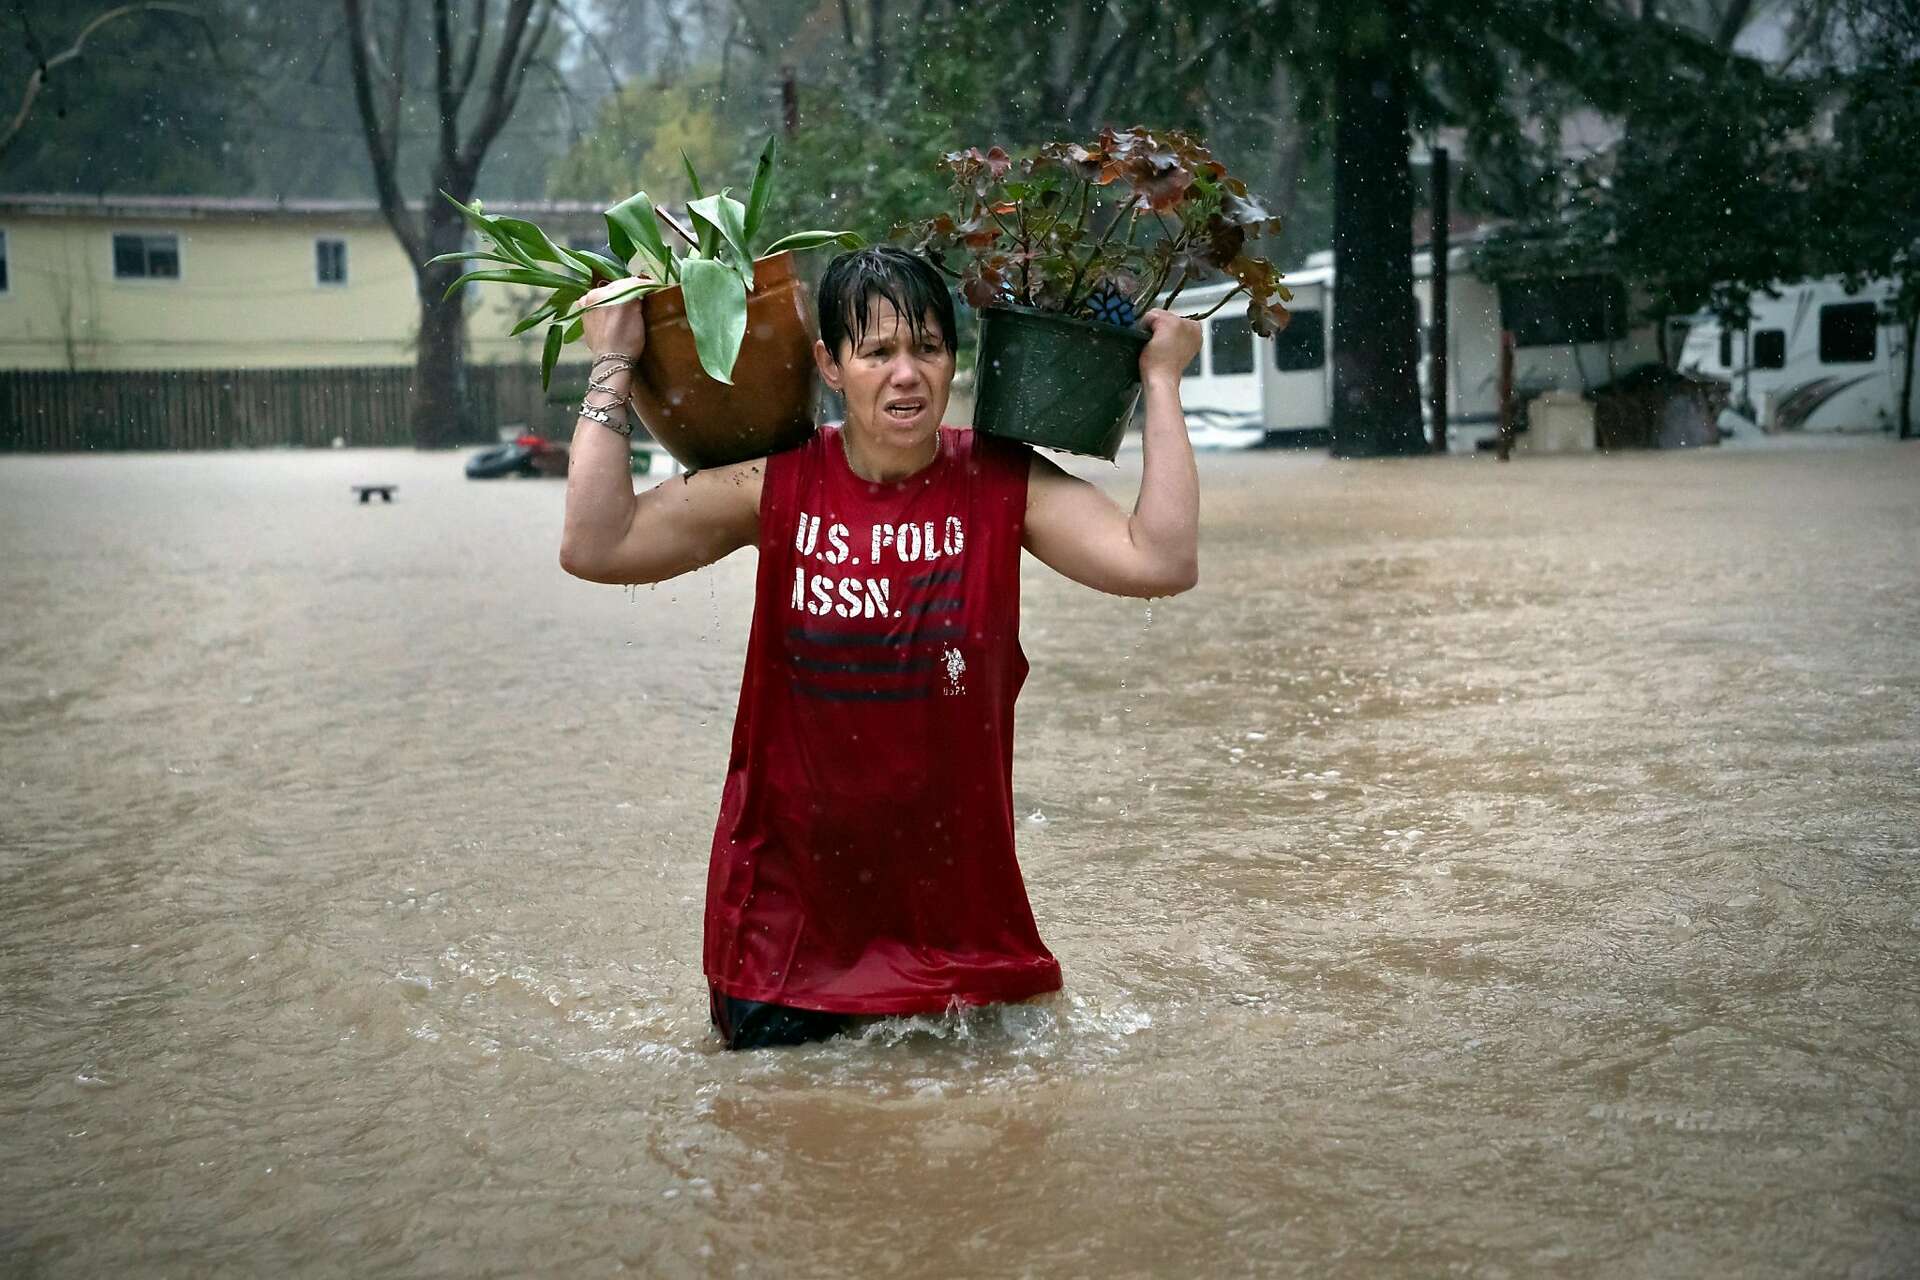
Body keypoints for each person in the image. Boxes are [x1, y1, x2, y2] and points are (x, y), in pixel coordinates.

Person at [559, 246, 1202, 1050]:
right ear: (830, 364)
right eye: (878, 351)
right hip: (784, 957)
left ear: (954, 359)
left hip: (966, 954)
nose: (907, 374)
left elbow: (1162, 559)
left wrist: (1162, 380)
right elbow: (596, 544)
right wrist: (613, 361)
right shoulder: (775, 487)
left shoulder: (1003, 483)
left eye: (927, 348)